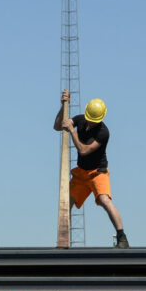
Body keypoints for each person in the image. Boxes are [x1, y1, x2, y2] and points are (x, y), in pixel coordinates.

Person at [53, 89, 129, 249]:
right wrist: (62, 107)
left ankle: (122, 238)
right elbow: (57, 126)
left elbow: (84, 150)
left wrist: (72, 131)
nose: (90, 122)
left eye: (93, 120)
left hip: (97, 172)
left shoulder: (103, 132)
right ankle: (63, 240)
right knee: (66, 204)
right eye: (89, 119)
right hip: (81, 173)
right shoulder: (81, 119)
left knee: (104, 200)